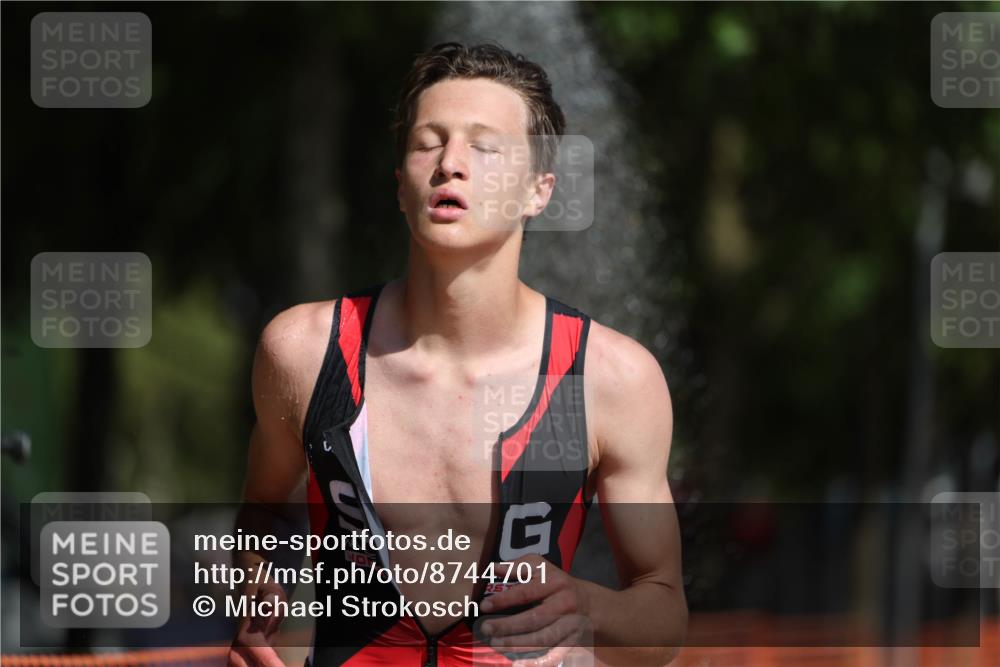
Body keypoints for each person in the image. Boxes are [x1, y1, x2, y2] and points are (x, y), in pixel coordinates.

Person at [229, 42, 686, 667]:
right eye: (428, 143)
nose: (451, 165)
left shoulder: (612, 378)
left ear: (539, 191)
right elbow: (263, 510)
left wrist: (588, 606)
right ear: (400, 186)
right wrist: (256, 599)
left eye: (484, 147)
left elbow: (662, 618)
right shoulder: (303, 351)